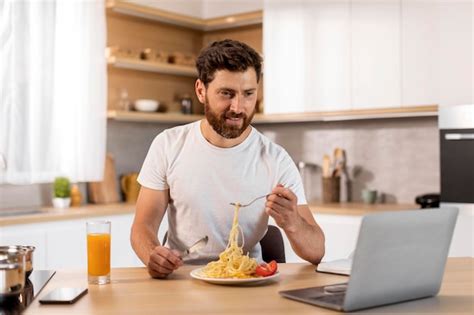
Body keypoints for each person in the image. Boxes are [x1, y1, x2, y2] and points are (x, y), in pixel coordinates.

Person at [131, 39, 325, 279]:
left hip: (247, 280)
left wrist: (293, 221)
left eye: (248, 94)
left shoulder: (276, 159)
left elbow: (317, 252)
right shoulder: (168, 144)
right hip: (181, 278)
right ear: (201, 91)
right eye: (227, 93)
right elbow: (143, 226)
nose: (238, 107)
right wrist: (152, 254)